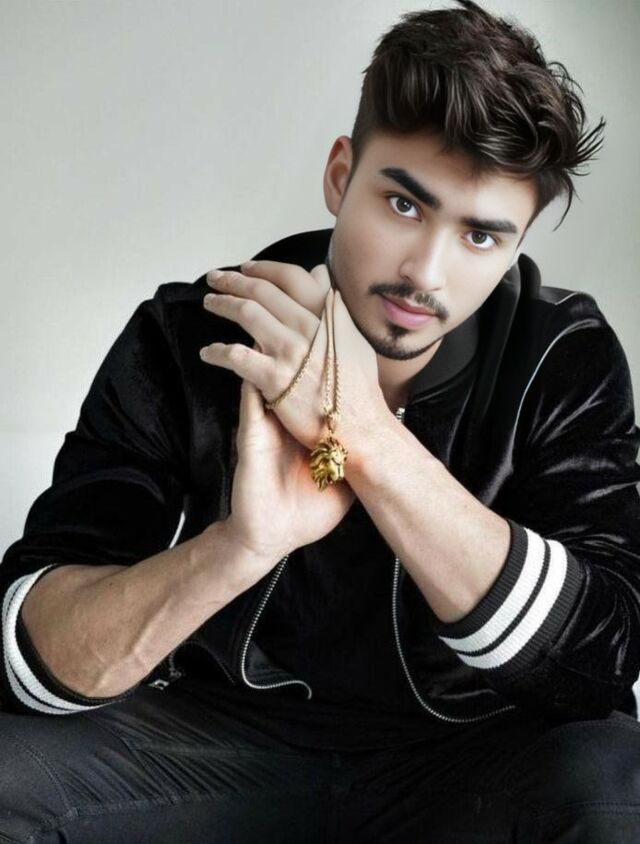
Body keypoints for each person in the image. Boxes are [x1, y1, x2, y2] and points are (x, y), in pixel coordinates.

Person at [2, 0, 640, 840]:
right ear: (341, 175)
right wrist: (238, 549)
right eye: (404, 205)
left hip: (472, 758)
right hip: (216, 748)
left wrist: (367, 439)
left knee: (617, 788)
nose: (425, 273)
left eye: (482, 238)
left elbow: (597, 668)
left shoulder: (559, 355)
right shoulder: (189, 334)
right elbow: (30, 657)